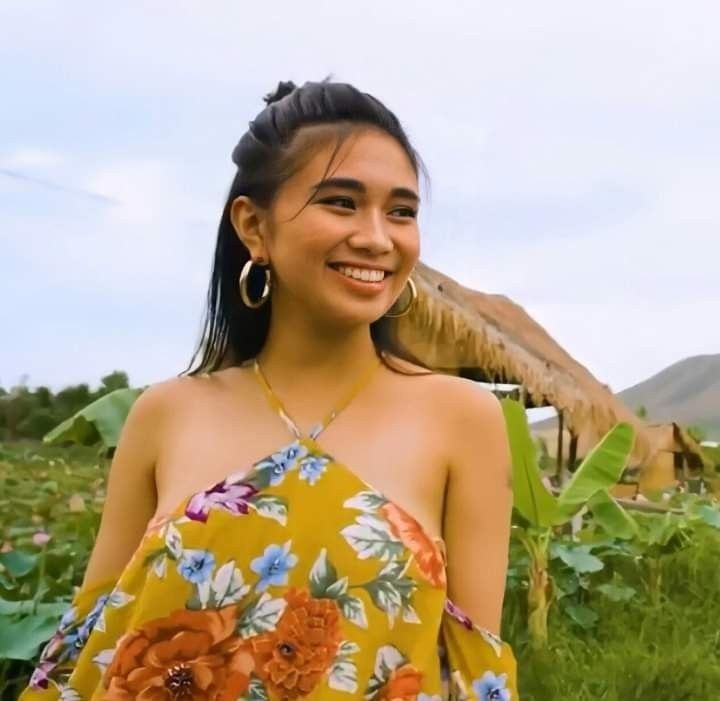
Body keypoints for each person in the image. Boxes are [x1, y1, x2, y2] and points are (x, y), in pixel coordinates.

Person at [21, 78, 518, 700]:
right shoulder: (166, 414)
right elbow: (87, 649)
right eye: (341, 202)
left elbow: (477, 672)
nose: (377, 237)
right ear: (253, 227)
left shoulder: (461, 418)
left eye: (401, 211)